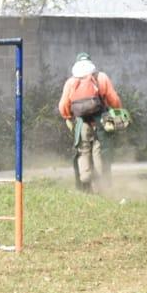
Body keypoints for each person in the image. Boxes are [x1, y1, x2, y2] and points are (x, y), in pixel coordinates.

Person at [57, 52, 122, 192]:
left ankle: (85, 180)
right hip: (101, 123)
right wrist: (117, 111)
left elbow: (63, 105)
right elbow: (114, 99)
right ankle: (101, 185)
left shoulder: (71, 82)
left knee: (83, 151)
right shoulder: (101, 77)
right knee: (100, 150)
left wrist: (67, 117)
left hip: (81, 124)